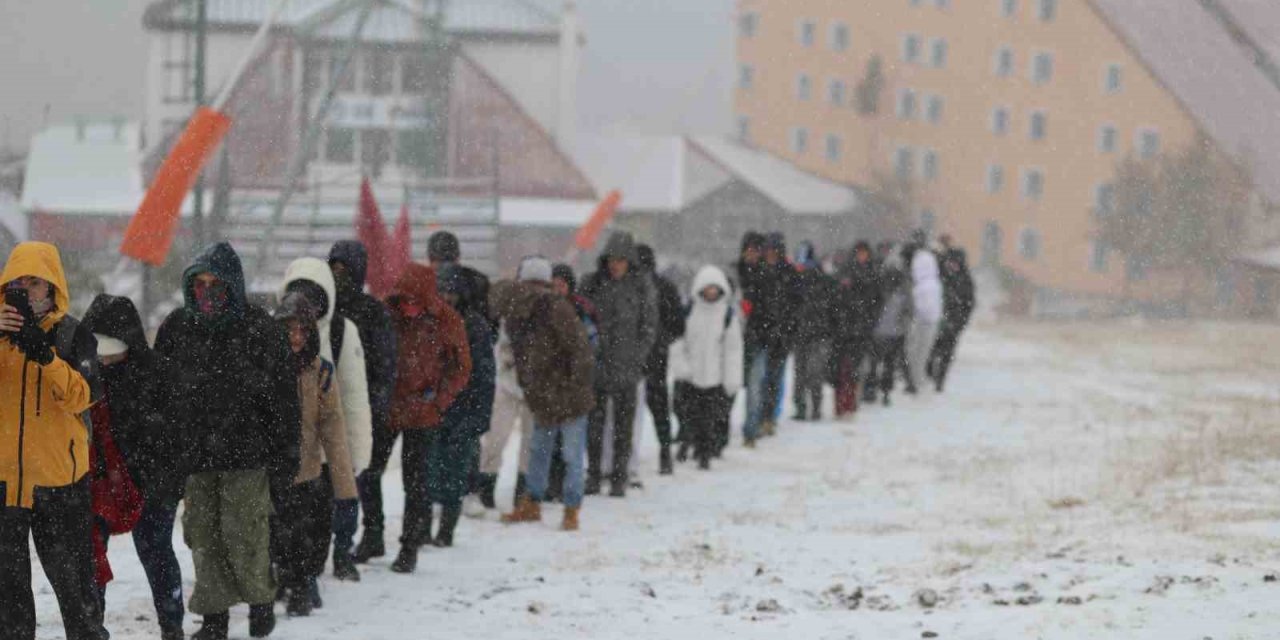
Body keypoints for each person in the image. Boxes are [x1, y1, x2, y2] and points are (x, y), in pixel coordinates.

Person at [155, 242, 300, 640]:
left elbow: (284, 401)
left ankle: (260, 602)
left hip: (247, 455)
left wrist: (286, 456)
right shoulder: (176, 328)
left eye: (214, 283)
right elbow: (162, 395)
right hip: (196, 456)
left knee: (245, 535)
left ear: (231, 285)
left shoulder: (260, 328)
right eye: (198, 283)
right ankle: (214, 617)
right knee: (203, 537)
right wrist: (167, 451)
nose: (206, 291)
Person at [0, 242, 108, 640]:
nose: (26, 291)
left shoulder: (73, 333)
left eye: (34, 283)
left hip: (59, 481)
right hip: (5, 482)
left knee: (76, 590)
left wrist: (45, 357)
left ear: (52, 287)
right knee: (8, 598)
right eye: (17, 283)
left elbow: (85, 396)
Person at [82, 294, 187, 640]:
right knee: (92, 557)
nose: (107, 362)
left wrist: (159, 484)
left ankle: (171, 625)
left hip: (151, 482)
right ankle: (91, 626)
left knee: (156, 551)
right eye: (101, 355)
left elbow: (173, 439)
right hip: (99, 481)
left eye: (114, 353)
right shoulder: (83, 376)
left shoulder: (158, 376)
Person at [278, 257, 371, 583]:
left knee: (330, 510)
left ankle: (337, 556)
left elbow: (356, 397)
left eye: (315, 296)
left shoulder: (342, 331)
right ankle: (300, 575)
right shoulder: (277, 337)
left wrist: (355, 453)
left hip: (330, 438)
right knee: (297, 518)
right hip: (293, 449)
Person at [270, 293, 357, 618]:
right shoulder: (267, 367)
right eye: (289, 330)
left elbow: (333, 428)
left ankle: (301, 586)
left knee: (306, 536)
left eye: (302, 331)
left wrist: (344, 484)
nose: (295, 338)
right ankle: (286, 580)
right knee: (276, 534)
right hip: (274, 467)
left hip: (306, 468)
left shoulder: (320, 372)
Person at [491, 261, 596, 530]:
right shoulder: (516, 314)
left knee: (571, 454)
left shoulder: (558, 309)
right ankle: (532, 503)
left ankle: (571, 509)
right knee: (538, 451)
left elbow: (580, 349)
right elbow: (523, 357)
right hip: (543, 395)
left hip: (569, 394)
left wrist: (572, 385)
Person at [385, 263, 472, 574]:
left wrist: (439, 401)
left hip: (423, 412)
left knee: (416, 483)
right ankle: (372, 533)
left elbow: (461, 367)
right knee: (368, 473)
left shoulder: (446, 320)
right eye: (403, 301)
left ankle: (409, 545)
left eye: (414, 301)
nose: (408, 309)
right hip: (389, 408)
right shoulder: (388, 316)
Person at [327, 241, 398, 566]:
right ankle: (336, 540)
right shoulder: (324, 308)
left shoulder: (373, 311)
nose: (338, 275)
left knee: (366, 477)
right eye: (334, 268)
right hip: (330, 405)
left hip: (365, 407)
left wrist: (374, 404)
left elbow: (384, 362)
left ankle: (371, 534)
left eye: (344, 269)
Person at [579, 232, 658, 497]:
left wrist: (637, 357)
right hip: (597, 364)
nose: (616, 265)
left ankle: (619, 476)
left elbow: (648, 326)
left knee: (624, 427)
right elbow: (581, 319)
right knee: (595, 426)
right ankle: (593, 474)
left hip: (627, 365)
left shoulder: (640, 287)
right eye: (612, 259)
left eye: (621, 260)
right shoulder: (592, 284)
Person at [471, 259, 549, 516]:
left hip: (536, 388)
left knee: (530, 444)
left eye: (539, 284)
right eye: (530, 283)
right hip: (507, 383)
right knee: (495, 438)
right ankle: (486, 489)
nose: (534, 289)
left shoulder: (553, 311)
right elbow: (499, 339)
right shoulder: (510, 305)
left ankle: (522, 493)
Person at [427, 264, 496, 547]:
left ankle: (445, 531)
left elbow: (484, 375)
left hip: (462, 410)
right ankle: (422, 529)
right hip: (434, 410)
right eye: (442, 291)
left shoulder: (474, 326)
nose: (446, 297)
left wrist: (478, 417)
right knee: (428, 475)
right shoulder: (429, 322)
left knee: (453, 477)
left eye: (451, 292)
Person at [669, 266, 743, 470]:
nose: (711, 293)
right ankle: (686, 442)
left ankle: (704, 452)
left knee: (709, 418)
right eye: (708, 288)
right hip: (690, 375)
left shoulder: (727, 316)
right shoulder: (689, 312)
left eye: (715, 289)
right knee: (686, 413)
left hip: (714, 377)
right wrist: (682, 367)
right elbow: (677, 342)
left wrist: (732, 378)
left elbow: (733, 350)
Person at [634, 244, 685, 475]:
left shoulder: (640, 289)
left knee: (638, 409)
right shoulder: (664, 287)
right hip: (651, 356)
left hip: (642, 356)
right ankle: (664, 451)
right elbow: (678, 324)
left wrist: (660, 339)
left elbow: (677, 323)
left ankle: (657, 451)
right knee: (658, 406)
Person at [742, 232, 796, 444]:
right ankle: (755, 423)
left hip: (780, 338)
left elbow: (795, 307)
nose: (772, 255)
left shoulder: (789, 274)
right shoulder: (757, 273)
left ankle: (768, 417)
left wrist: (788, 330)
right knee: (757, 382)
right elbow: (751, 303)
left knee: (774, 380)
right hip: (760, 337)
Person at [833, 241, 882, 412]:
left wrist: (871, 319)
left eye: (864, 253)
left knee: (857, 367)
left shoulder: (873, 273)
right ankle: (841, 402)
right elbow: (836, 296)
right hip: (845, 327)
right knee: (842, 367)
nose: (861, 256)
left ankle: (852, 400)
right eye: (859, 253)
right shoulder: (845, 271)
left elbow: (878, 300)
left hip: (863, 328)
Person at [789, 241, 835, 422]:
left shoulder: (819, 280)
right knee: (804, 373)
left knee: (811, 372)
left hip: (817, 333)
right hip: (805, 332)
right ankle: (805, 407)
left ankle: (811, 407)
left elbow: (831, 305)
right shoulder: (797, 280)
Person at [929, 249, 976, 392]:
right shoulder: (939, 276)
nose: (953, 266)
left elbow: (969, 303)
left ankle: (940, 380)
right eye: (951, 262)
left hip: (954, 323)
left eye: (956, 263)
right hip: (937, 321)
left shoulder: (965, 280)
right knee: (932, 350)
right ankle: (931, 372)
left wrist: (961, 321)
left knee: (947, 353)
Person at [905, 232, 943, 394]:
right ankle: (916, 379)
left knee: (915, 352)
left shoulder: (920, 286)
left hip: (919, 320)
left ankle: (914, 380)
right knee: (921, 352)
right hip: (928, 321)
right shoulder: (934, 284)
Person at [871, 264, 912, 407]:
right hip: (882, 333)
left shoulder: (903, 294)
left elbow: (908, 312)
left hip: (892, 334)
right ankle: (878, 390)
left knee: (886, 365)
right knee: (881, 364)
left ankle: (884, 391)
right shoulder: (880, 292)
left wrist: (903, 327)